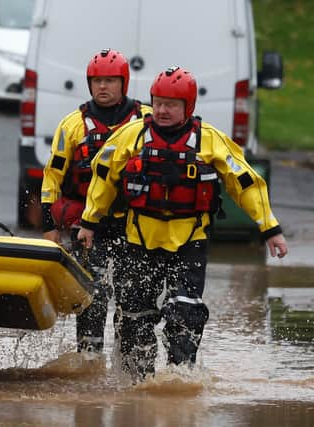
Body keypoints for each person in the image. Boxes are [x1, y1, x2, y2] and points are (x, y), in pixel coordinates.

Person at [77, 66, 288, 381]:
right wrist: (89, 223)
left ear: (188, 107)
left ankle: (179, 379)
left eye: (171, 104)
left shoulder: (210, 140)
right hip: (139, 241)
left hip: (189, 242)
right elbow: (103, 176)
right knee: (135, 317)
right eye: (158, 102)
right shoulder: (131, 136)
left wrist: (270, 229)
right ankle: (138, 383)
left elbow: (245, 182)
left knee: (185, 312)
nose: (162, 110)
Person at [40, 49, 152, 356]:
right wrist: (49, 227)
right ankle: (87, 362)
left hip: (133, 225)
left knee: (134, 297)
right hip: (88, 226)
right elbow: (52, 176)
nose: (103, 87)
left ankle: (128, 362)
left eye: (110, 81)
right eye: (97, 81)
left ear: (124, 83)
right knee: (93, 296)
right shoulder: (72, 124)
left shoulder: (146, 120)